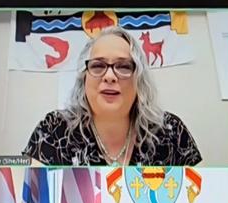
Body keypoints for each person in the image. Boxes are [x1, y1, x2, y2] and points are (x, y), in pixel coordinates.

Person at [23, 26, 202, 166]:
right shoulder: (53, 129)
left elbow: (204, 195)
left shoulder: (171, 132)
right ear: (84, 78)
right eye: (98, 66)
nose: (109, 76)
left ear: (139, 79)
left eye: (123, 66)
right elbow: (31, 198)